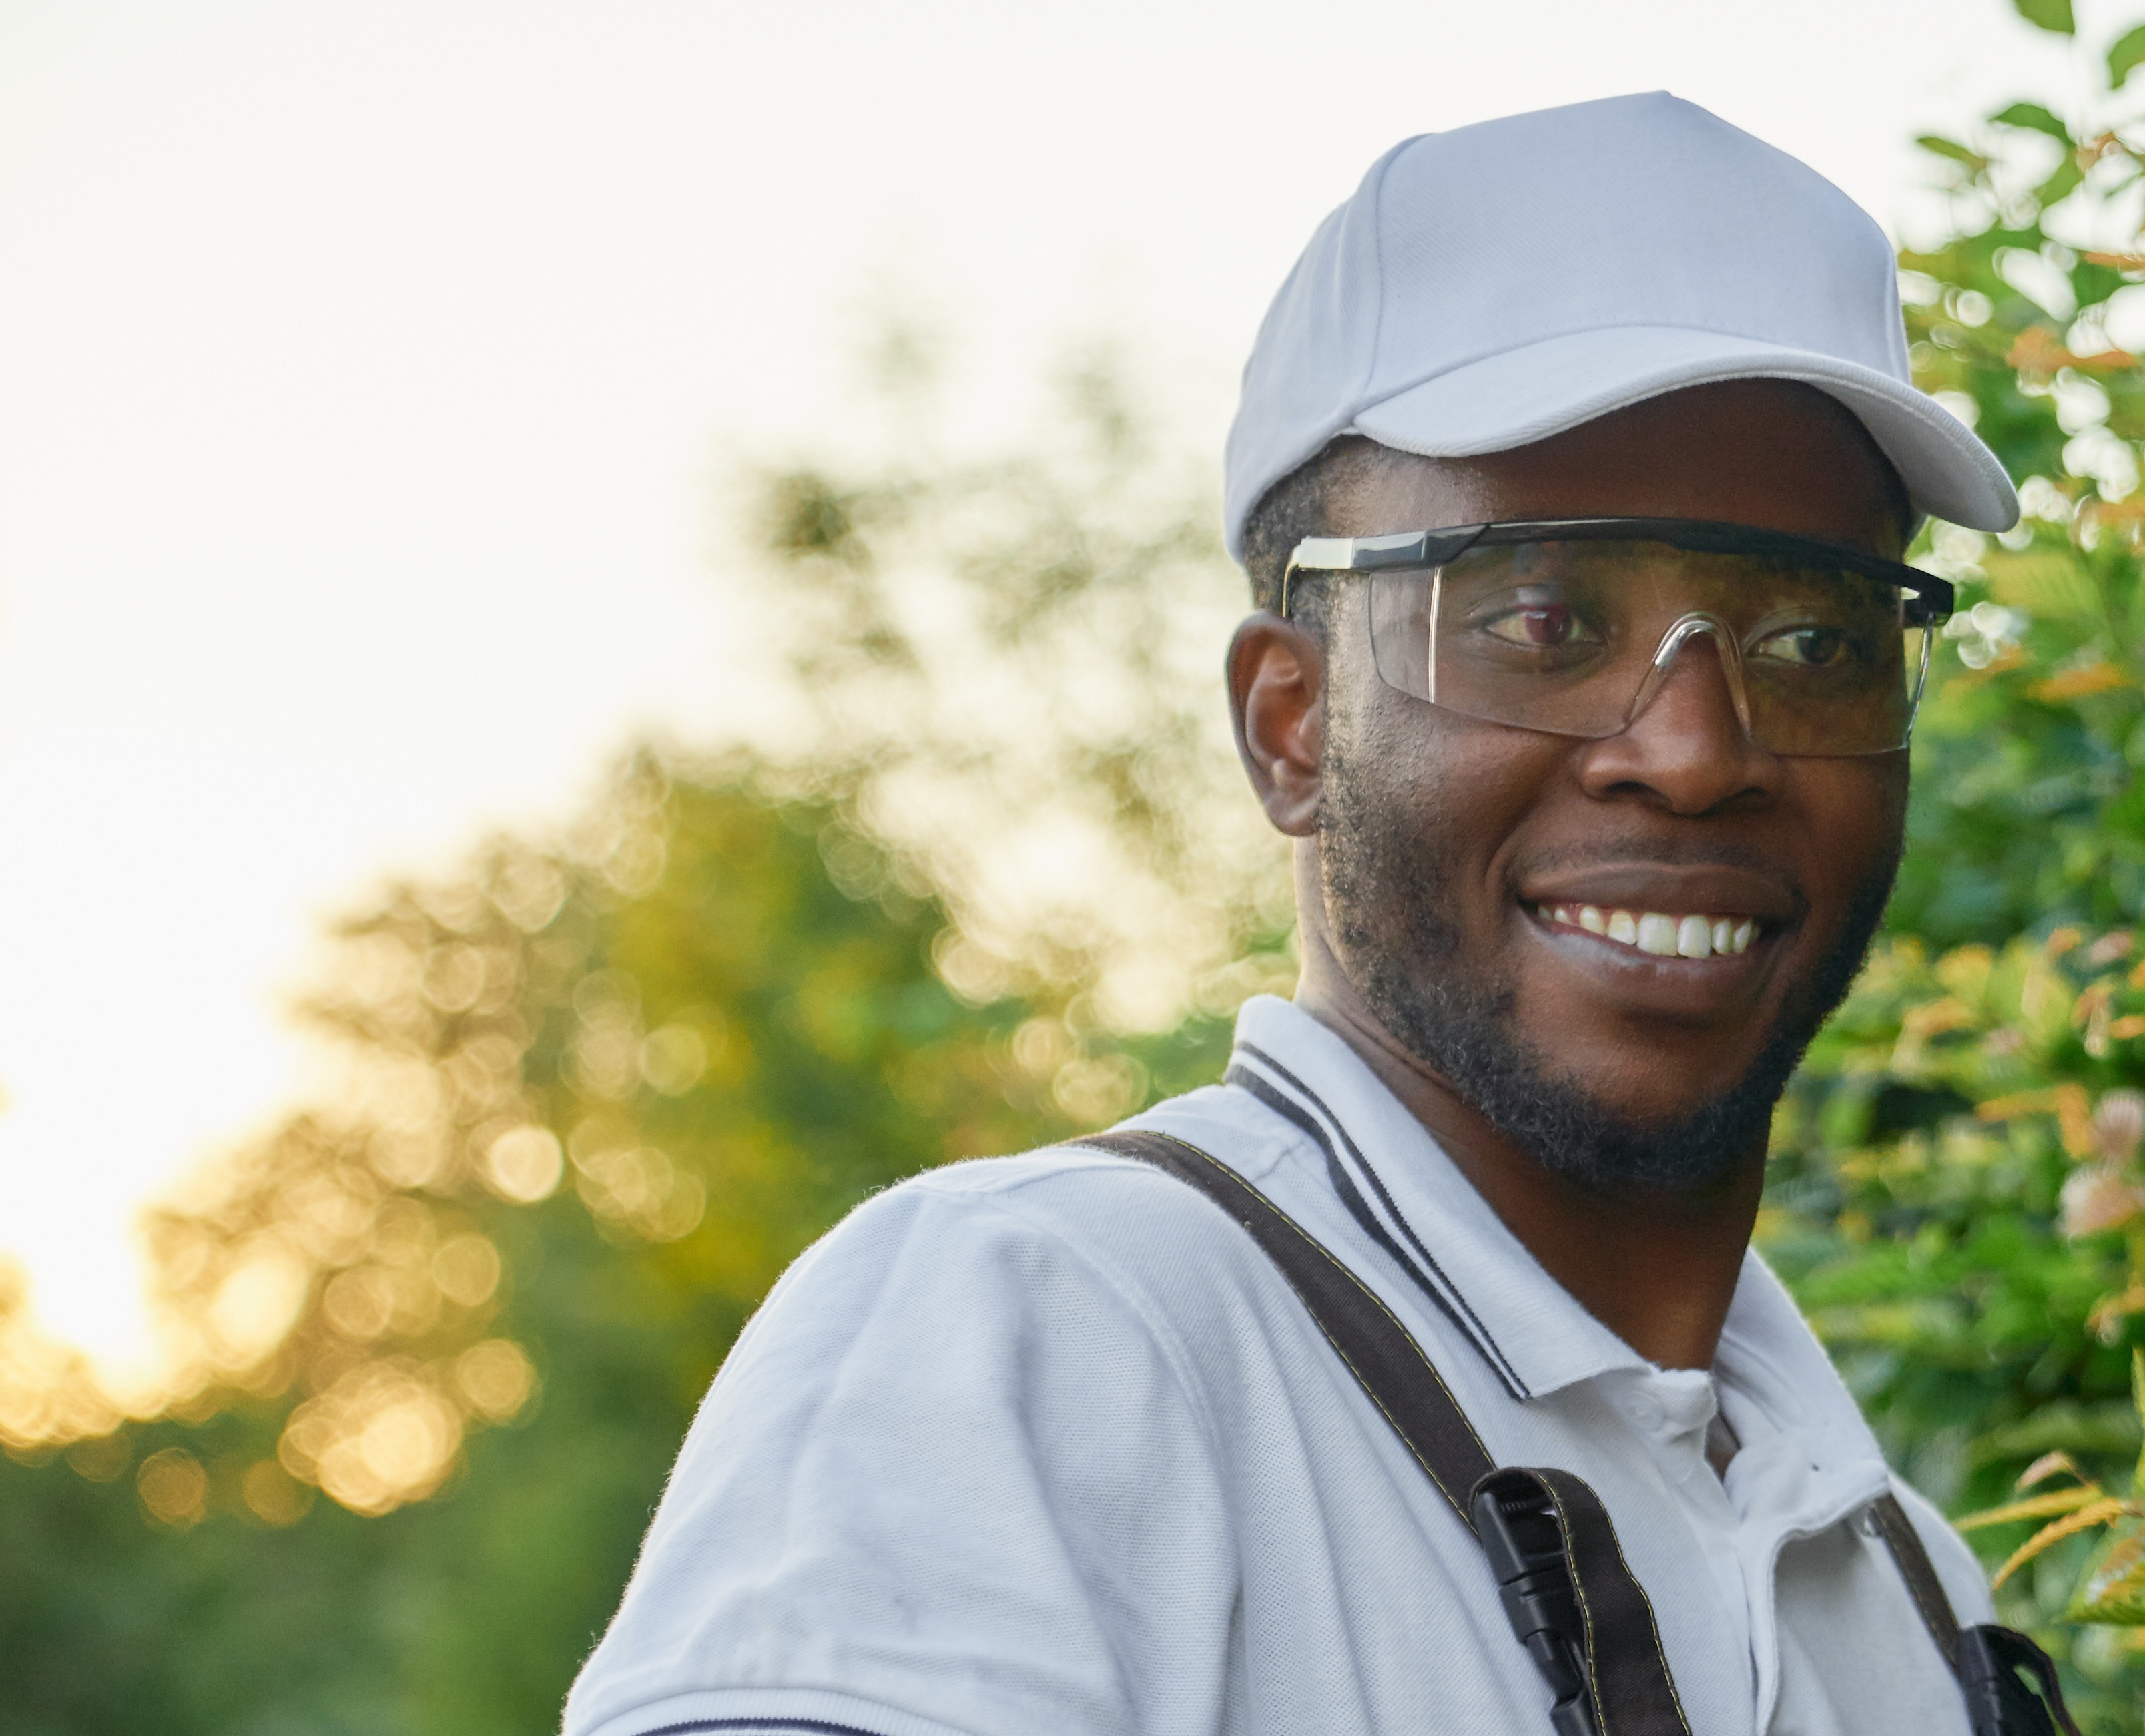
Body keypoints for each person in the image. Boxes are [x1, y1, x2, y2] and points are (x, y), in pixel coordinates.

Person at [564, 92, 2035, 1736]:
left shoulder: (1913, 1590)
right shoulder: (1037, 1336)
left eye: (1815, 638)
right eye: (1541, 616)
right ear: (1290, 719)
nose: (1693, 751)